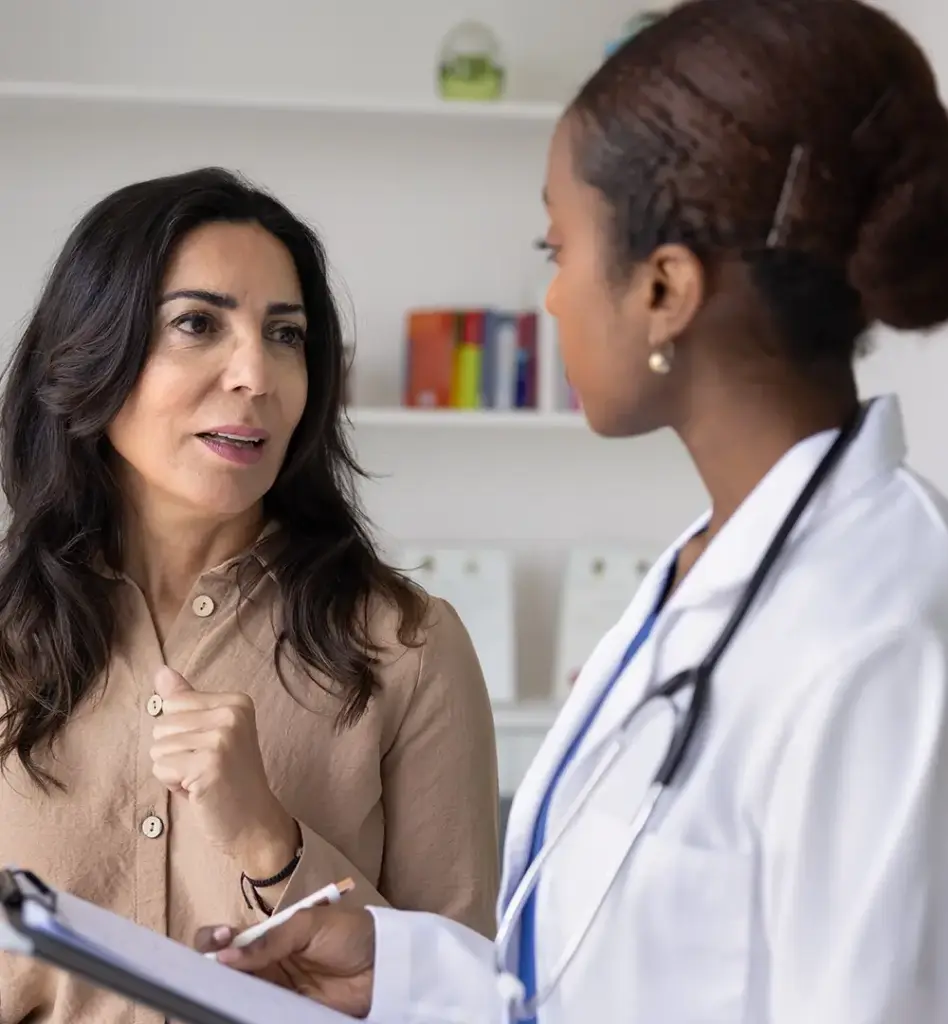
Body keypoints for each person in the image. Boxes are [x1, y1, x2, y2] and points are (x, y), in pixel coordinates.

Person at [196, 0, 948, 1021]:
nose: (550, 301)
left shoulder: (883, 633)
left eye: (559, 251)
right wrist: (399, 972)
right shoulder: (712, 570)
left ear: (665, 290)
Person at [0, 167, 501, 1023]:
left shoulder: (409, 647)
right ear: (92, 347)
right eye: (197, 323)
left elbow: (463, 1001)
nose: (255, 374)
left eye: (285, 335)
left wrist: (270, 841)